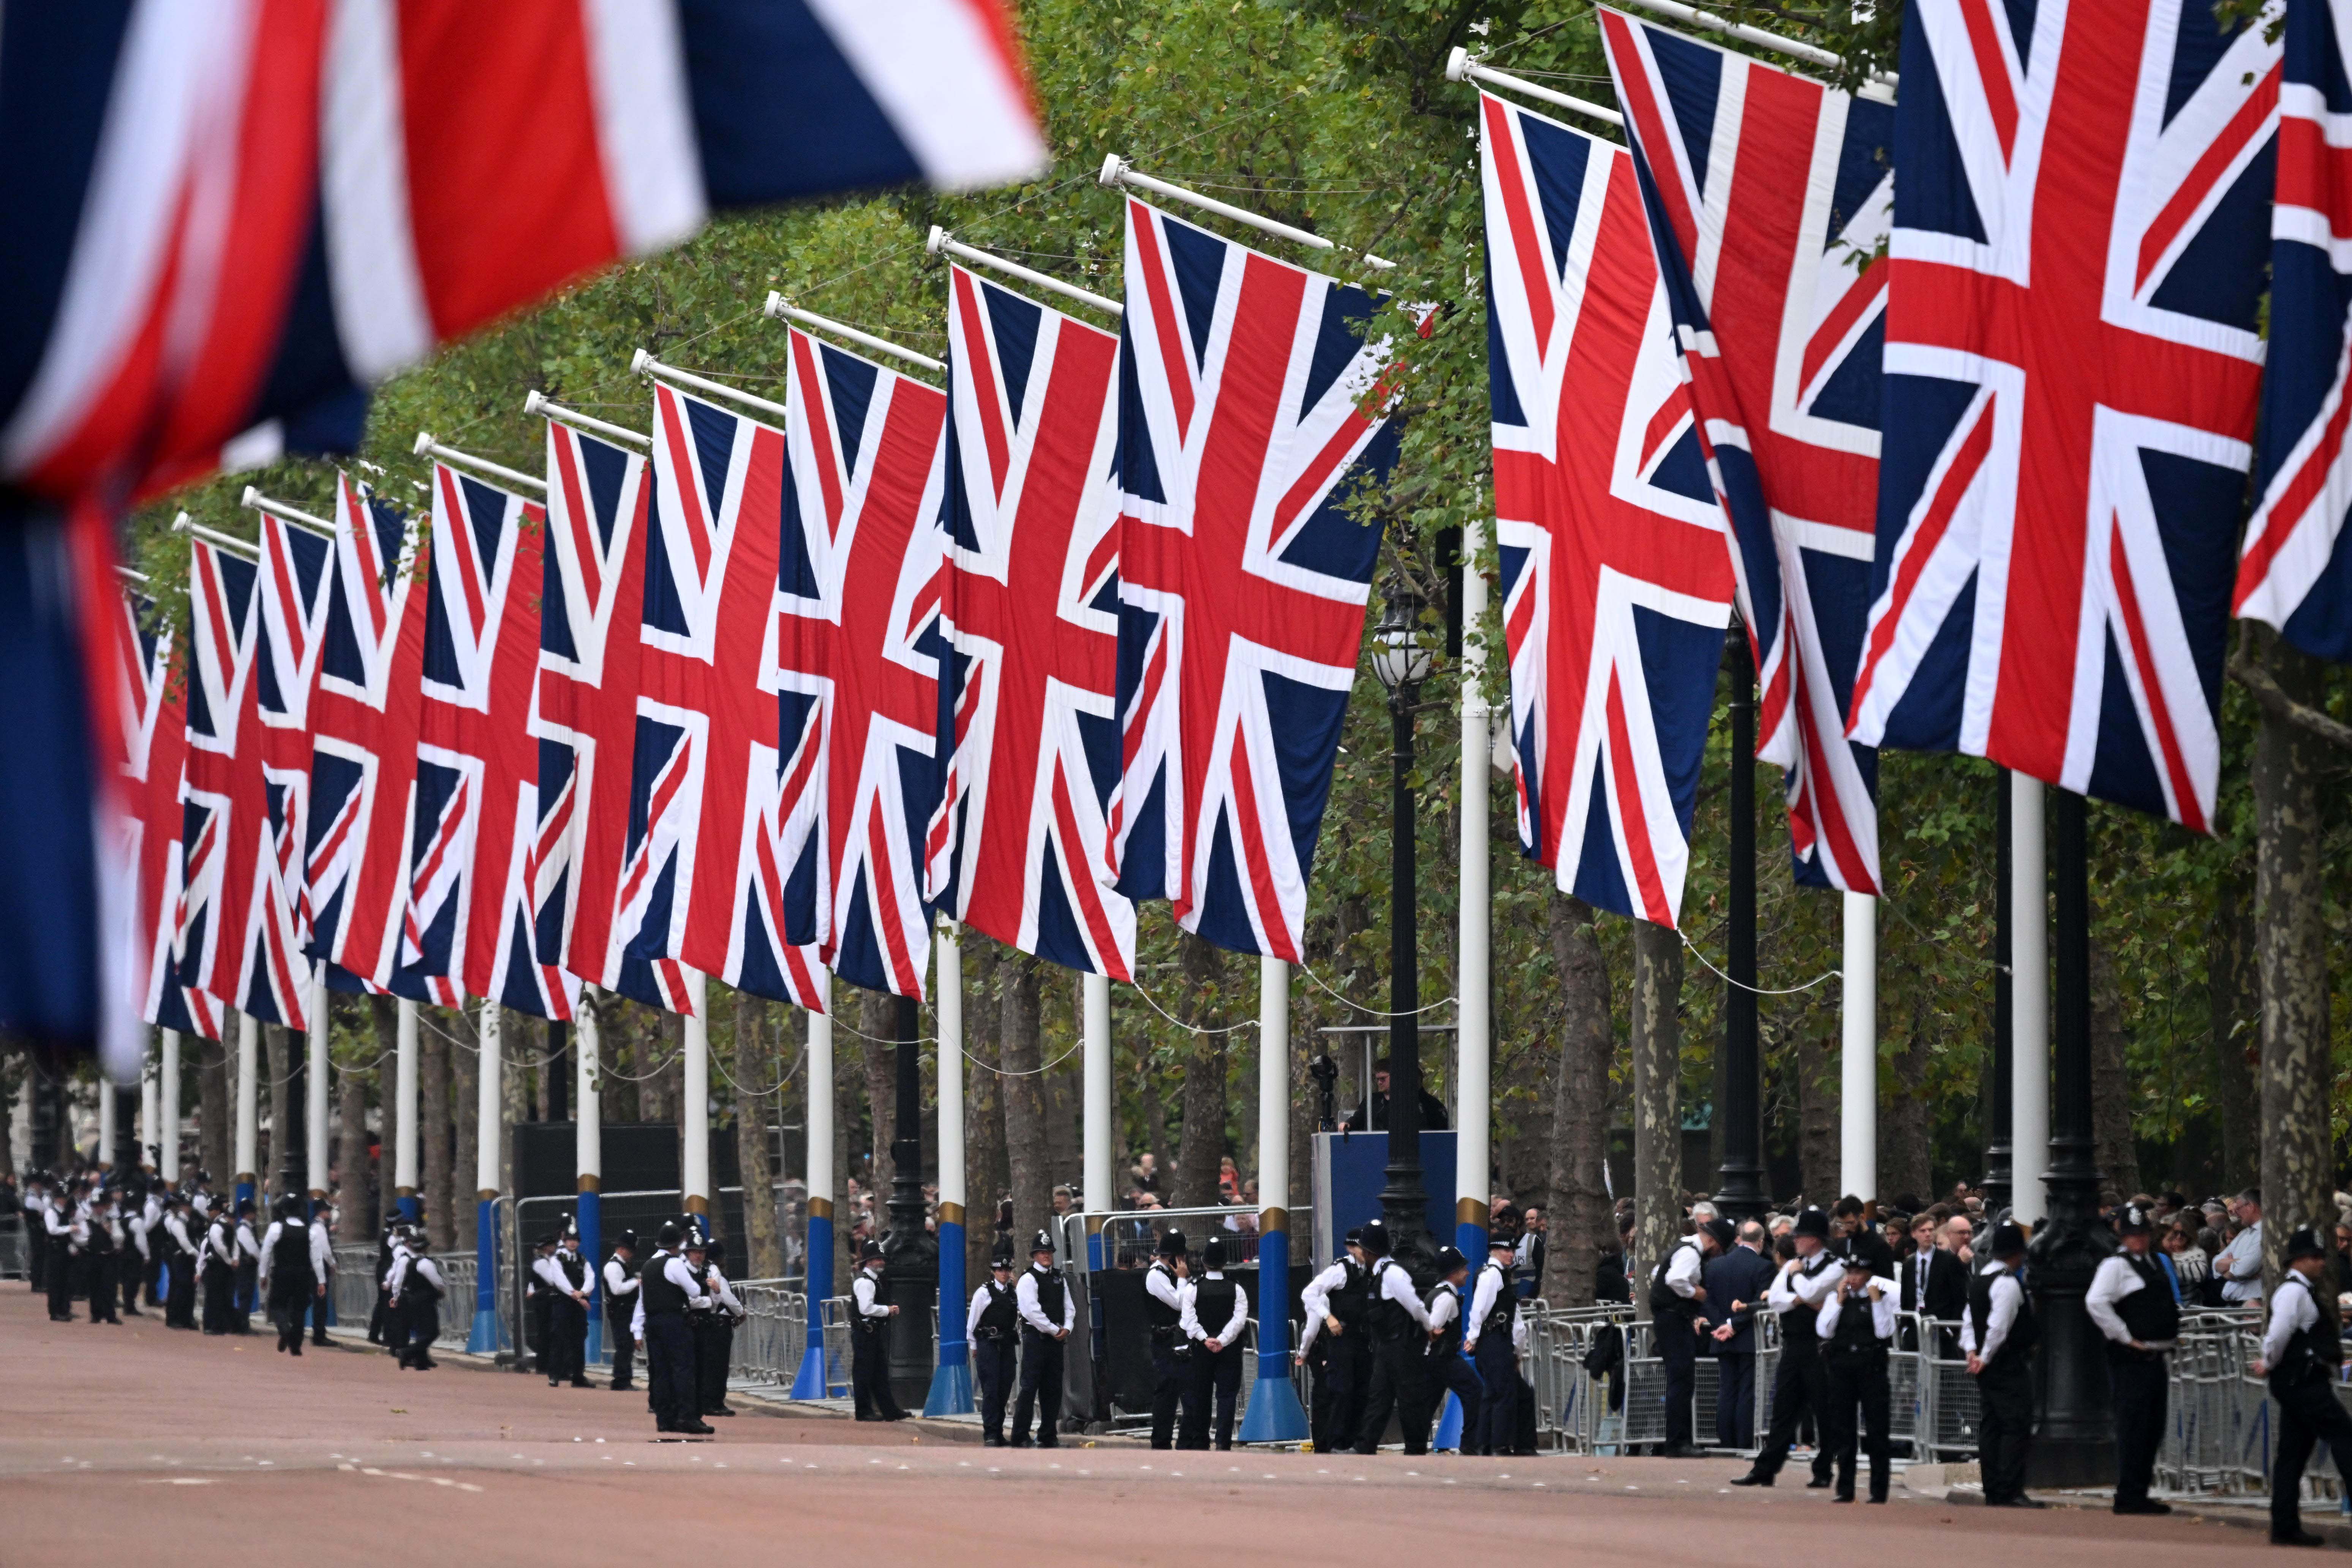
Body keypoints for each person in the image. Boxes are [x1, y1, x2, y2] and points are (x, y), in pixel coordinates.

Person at [2253, 1226, 2352, 1546]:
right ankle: (2284, 1524)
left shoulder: (2299, 1291)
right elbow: (2279, 1333)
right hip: (2303, 1382)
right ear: (2298, 1260)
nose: (2322, 1262)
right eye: (2315, 1256)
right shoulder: (2293, 1292)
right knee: (2344, 1435)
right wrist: (2267, 1362)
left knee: (2292, 1453)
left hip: (2298, 1381)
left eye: (2322, 1256)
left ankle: (2284, 1525)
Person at [1731, 1207, 1840, 1488]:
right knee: (1783, 1408)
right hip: (1794, 1345)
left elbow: (1812, 1293)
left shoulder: (1834, 1265)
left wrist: (1801, 1288)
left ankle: (1824, 1470)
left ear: (1814, 1239)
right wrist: (1802, 1299)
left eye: (1800, 1236)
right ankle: (1765, 1469)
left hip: (1820, 1347)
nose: (1796, 1242)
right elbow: (1777, 1300)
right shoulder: (1795, 1263)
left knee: (1824, 1411)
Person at [2085, 1204, 2179, 1515]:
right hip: (2132, 1358)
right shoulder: (2116, 1266)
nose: (2138, 1240)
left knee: (2153, 1426)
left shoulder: (2154, 1262)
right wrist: (2125, 1337)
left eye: (2142, 1235)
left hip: (2156, 1355)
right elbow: (2096, 1302)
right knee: (2134, 1426)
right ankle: (2128, 1492)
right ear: (2122, 1237)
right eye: (2132, 1235)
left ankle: (2140, 1489)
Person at [1962, 1221, 2039, 1507]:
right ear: (2016, 1253)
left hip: (1988, 1364)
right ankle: (2010, 1489)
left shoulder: (1980, 1280)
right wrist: (1985, 1356)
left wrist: (1972, 1351)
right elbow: (1999, 1328)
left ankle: (1993, 1488)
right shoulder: (2006, 1282)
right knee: (2015, 1425)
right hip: (2006, 1363)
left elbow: (1969, 1321)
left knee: (1992, 1426)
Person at [1351, 1218, 1438, 1456]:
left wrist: (1430, 1327)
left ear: (1370, 1252)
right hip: (1387, 1347)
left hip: (1402, 1346)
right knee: (1379, 1397)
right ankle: (1364, 1445)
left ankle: (1416, 1448)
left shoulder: (1393, 1274)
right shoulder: (1379, 1274)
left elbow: (1415, 1305)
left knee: (1410, 1399)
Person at [1816, 1253, 1895, 1503]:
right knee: (1843, 1428)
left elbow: (1884, 1332)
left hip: (1871, 1369)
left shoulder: (1881, 1299)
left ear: (1869, 1275)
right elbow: (1824, 1330)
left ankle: (1879, 1490)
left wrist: (1876, 1302)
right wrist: (1839, 1302)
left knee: (1877, 1430)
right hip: (1842, 1369)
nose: (1853, 1278)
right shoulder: (1835, 1298)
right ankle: (1845, 1488)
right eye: (1849, 1273)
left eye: (1858, 1273)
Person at [630, 1223, 714, 1435]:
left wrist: (637, 1330)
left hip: (653, 1323)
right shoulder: (674, 1264)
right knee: (683, 1369)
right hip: (674, 1321)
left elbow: (642, 1301)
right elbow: (694, 1291)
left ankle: (664, 1419)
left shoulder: (648, 1266)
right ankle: (687, 1417)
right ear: (677, 1245)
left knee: (661, 1372)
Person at [1650, 1217, 1722, 1457]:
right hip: (1674, 1319)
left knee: (1680, 1380)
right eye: (1719, 1247)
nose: (1717, 1254)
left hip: (1670, 1318)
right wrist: (1696, 1293)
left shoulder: (1683, 1247)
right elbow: (1674, 1280)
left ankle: (1679, 1440)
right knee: (1681, 1380)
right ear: (1712, 1240)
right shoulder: (1691, 1253)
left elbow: (1658, 1274)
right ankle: (1678, 1442)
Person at [1297, 1227, 1371, 1455]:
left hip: (1364, 1339)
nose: (1366, 1252)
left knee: (1362, 1390)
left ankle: (1354, 1441)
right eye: (1361, 1247)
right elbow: (1309, 1293)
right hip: (1342, 1339)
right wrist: (1329, 1318)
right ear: (1351, 1248)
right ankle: (1336, 1442)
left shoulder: (1372, 1271)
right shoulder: (1340, 1270)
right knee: (1341, 1390)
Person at [1706, 1220, 1776, 1449]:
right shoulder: (1764, 1266)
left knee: (1727, 1390)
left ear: (1739, 1238)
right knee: (1747, 1392)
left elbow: (1708, 1301)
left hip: (1720, 1336)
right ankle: (1744, 1441)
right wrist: (1734, 1325)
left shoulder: (1715, 1266)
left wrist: (1721, 1325)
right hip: (1748, 1337)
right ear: (1761, 1241)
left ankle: (1726, 1440)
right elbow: (1759, 1304)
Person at [1181, 1232, 1249, 1449]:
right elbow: (1239, 1321)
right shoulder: (1236, 1288)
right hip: (1229, 1351)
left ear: (1203, 1262)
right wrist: (1222, 1340)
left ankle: (1201, 1441)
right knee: (1227, 1396)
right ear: (1225, 1262)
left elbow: (1189, 1321)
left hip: (1201, 1351)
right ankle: (1223, 1443)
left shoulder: (1193, 1288)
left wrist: (1205, 1339)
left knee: (1200, 1395)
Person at [1012, 1229, 1074, 1447]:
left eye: (1049, 1252)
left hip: (1055, 1339)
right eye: (1041, 1252)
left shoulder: (1059, 1277)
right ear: (1034, 1256)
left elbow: (1069, 1307)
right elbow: (1031, 1311)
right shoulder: (1028, 1278)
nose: (1046, 1256)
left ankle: (1048, 1435)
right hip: (1037, 1339)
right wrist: (1053, 1330)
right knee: (1029, 1388)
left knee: (1053, 1389)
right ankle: (1020, 1435)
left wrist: (1067, 1327)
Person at [1465, 1227, 1523, 1455]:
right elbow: (1479, 1308)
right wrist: (1473, 1336)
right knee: (1503, 1392)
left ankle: (1485, 1443)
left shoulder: (1498, 1274)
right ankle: (1498, 1444)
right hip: (1494, 1340)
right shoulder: (1492, 1275)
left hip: (1497, 1340)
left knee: (1492, 1392)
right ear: (1495, 1251)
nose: (1511, 1254)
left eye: (1512, 1250)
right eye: (1507, 1250)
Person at [1423, 1245, 1481, 1451]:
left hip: (1436, 1359)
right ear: (1454, 1273)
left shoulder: (1439, 1293)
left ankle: (1417, 1445)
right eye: (1463, 1269)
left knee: (1428, 1404)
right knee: (1474, 1391)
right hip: (1443, 1358)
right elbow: (1432, 1327)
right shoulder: (1447, 1298)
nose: (1467, 1272)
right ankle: (1470, 1444)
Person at [258, 1195, 327, 1355]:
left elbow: (266, 1253)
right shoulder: (309, 1231)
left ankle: (284, 1329)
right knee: (299, 1309)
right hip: (303, 1274)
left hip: (282, 1273)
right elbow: (317, 1258)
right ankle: (296, 1346)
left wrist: (263, 1275)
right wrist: (321, 1281)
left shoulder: (277, 1228)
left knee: (277, 1304)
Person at [1143, 1228, 1193, 1449]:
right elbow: (1179, 1303)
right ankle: (1161, 1440)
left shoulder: (1175, 1275)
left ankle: (1187, 1439)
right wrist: (1182, 1280)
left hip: (1182, 1337)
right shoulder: (1156, 1276)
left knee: (1188, 1389)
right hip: (1165, 1339)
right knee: (1167, 1390)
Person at [848, 1237, 907, 1421]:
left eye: (882, 1259)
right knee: (864, 1373)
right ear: (869, 1261)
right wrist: (887, 1310)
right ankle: (864, 1411)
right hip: (865, 1332)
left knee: (880, 1373)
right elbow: (866, 1308)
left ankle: (889, 1410)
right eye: (878, 1259)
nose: (882, 1262)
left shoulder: (876, 1280)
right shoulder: (866, 1283)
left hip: (873, 1332)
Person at [968, 1246, 1020, 1446]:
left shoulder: (1014, 1293)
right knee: (991, 1389)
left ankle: (998, 1432)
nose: (1004, 1274)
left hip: (1007, 1343)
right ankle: (990, 1433)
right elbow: (972, 1322)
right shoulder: (984, 1293)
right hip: (988, 1343)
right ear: (993, 1271)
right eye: (1000, 1270)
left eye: (1007, 1271)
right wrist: (974, 1345)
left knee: (1005, 1388)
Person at [537, 1226, 594, 1388]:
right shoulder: (558, 1259)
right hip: (563, 1303)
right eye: (570, 1240)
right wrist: (576, 1295)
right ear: (564, 1241)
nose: (573, 1243)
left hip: (578, 1304)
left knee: (579, 1338)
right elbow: (560, 1281)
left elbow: (591, 1277)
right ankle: (554, 1375)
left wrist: (583, 1292)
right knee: (559, 1338)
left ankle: (578, 1376)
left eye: (575, 1240)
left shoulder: (582, 1260)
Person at [695, 1235, 745, 1418]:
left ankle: (704, 1401)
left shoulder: (700, 1270)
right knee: (718, 1366)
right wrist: (741, 1312)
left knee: (707, 1364)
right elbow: (727, 1298)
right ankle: (715, 1402)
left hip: (704, 1321)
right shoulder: (715, 1273)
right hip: (719, 1324)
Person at [389, 1228, 446, 1370]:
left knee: (422, 1331)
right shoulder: (425, 1263)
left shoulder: (409, 1261)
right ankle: (407, 1352)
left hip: (413, 1299)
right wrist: (442, 1290)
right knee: (433, 1332)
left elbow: (400, 1279)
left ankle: (421, 1362)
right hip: (424, 1300)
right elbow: (438, 1282)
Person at [1342, 1059, 1450, 1132]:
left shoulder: (1424, 1103)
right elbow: (1358, 1119)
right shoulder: (1372, 1101)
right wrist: (1348, 1124)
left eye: (1383, 1079)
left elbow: (1441, 1131)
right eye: (1378, 1079)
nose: (1380, 1083)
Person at [602, 1231, 642, 1393]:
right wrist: (636, 1282)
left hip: (626, 1311)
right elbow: (617, 1289)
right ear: (623, 1250)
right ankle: (620, 1379)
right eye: (630, 1251)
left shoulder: (622, 1266)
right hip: (619, 1311)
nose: (631, 1255)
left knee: (627, 1345)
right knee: (623, 1345)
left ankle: (625, 1377)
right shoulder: (613, 1266)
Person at [2215, 1189, 2265, 1306]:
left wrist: (2227, 1266)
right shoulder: (2244, 1233)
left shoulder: (2264, 1233)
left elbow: (2242, 1271)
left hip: (2252, 1304)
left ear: (2251, 1207)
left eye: (2238, 1209)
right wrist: (2235, 1263)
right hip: (2234, 1304)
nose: (2235, 1214)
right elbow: (2215, 1264)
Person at [161, 1195, 199, 1329]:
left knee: (188, 1290)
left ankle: (186, 1318)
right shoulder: (178, 1223)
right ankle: (174, 1318)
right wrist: (196, 1253)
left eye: (189, 1205)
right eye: (186, 1205)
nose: (188, 1208)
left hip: (188, 1261)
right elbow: (184, 1242)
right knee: (179, 1288)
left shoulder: (189, 1222)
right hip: (181, 1259)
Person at [41, 1177, 74, 1321]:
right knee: (55, 1281)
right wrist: (69, 1229)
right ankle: (55, 1311)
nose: (64, 1200)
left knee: (66, 1280)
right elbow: (52, 1230)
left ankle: (64, 1308)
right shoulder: (51, 1212)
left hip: (65, 1249)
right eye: (62, 1197)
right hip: (55, 1250)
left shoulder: (65, 1213)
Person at [231, 1198, 260, 1332]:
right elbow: (252, 1249)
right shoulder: (243, 1229)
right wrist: (261, 1259)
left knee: (247, 1295)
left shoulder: (247, 1228)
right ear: (248, 1214)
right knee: (245, 1296)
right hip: (245, 1267)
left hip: (248, 1267)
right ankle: (242, 1325)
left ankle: (243, 1323)